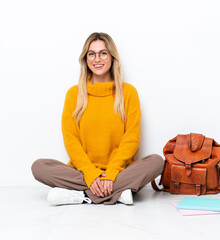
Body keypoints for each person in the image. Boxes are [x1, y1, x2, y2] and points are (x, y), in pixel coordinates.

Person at [31, 32, 164, 205]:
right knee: (39, 167)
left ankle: (83, 196)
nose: (97, 59)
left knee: (156, 162)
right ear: (86, 59)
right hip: (83, 172)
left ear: (112, 57)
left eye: (103, 53)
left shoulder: (128, 92)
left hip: (119, 171)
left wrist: (111, 173)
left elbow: (131, 139)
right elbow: (71, 141)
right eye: (91, 54)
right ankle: (119, 192)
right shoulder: (74, 94)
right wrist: (90, 173)